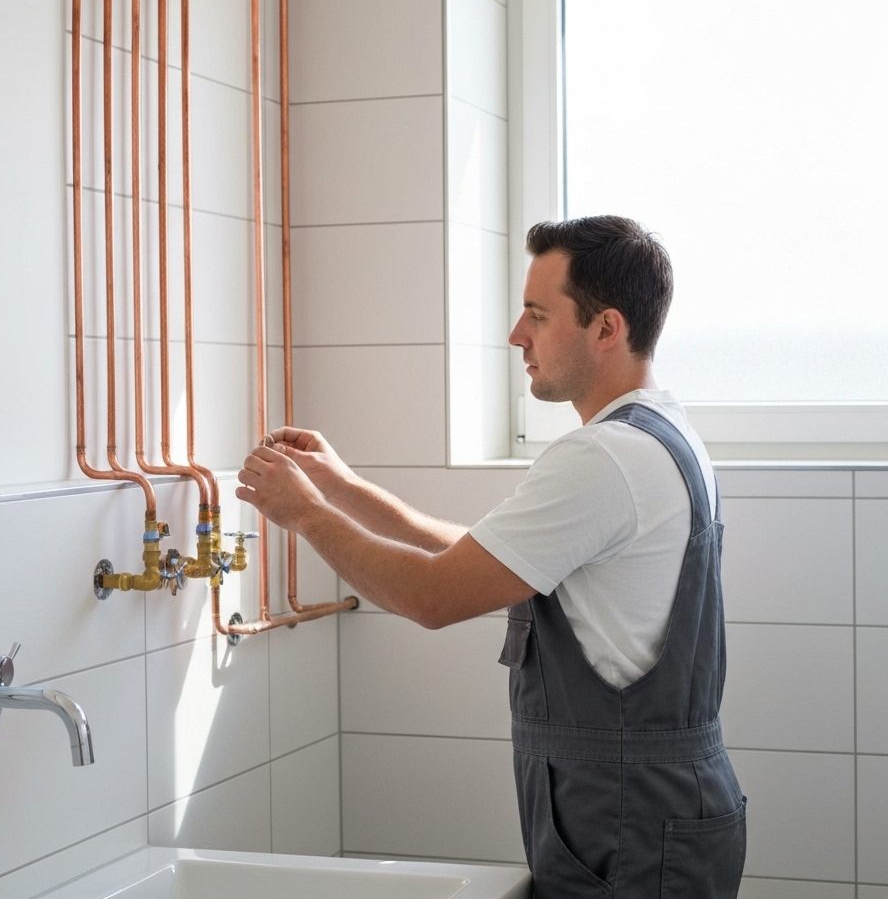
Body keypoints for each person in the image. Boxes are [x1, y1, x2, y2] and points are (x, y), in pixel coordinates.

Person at [236, 215, 746, 899]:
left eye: (537, 313)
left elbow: (433, 597)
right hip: (658, 811)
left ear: (606, 329)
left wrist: (303, 514)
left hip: (629, 823)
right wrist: (341, 488)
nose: (516, 335)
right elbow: (477, 558)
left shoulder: (605, 457)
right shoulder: (661, 435)